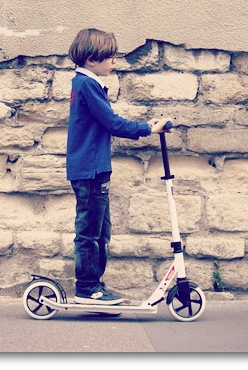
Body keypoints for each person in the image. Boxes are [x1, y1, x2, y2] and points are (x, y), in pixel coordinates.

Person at [66, 28, 171, 305]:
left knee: (101, 232)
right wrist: (148, 128)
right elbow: (112, 122)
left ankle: (95, 286)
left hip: (94, 168)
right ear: (91, 60)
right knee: (89, 232)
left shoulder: (86, 83)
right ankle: (87, 288)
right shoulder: (87, 85)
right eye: (110, 57)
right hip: (90, 169)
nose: (114, 62)